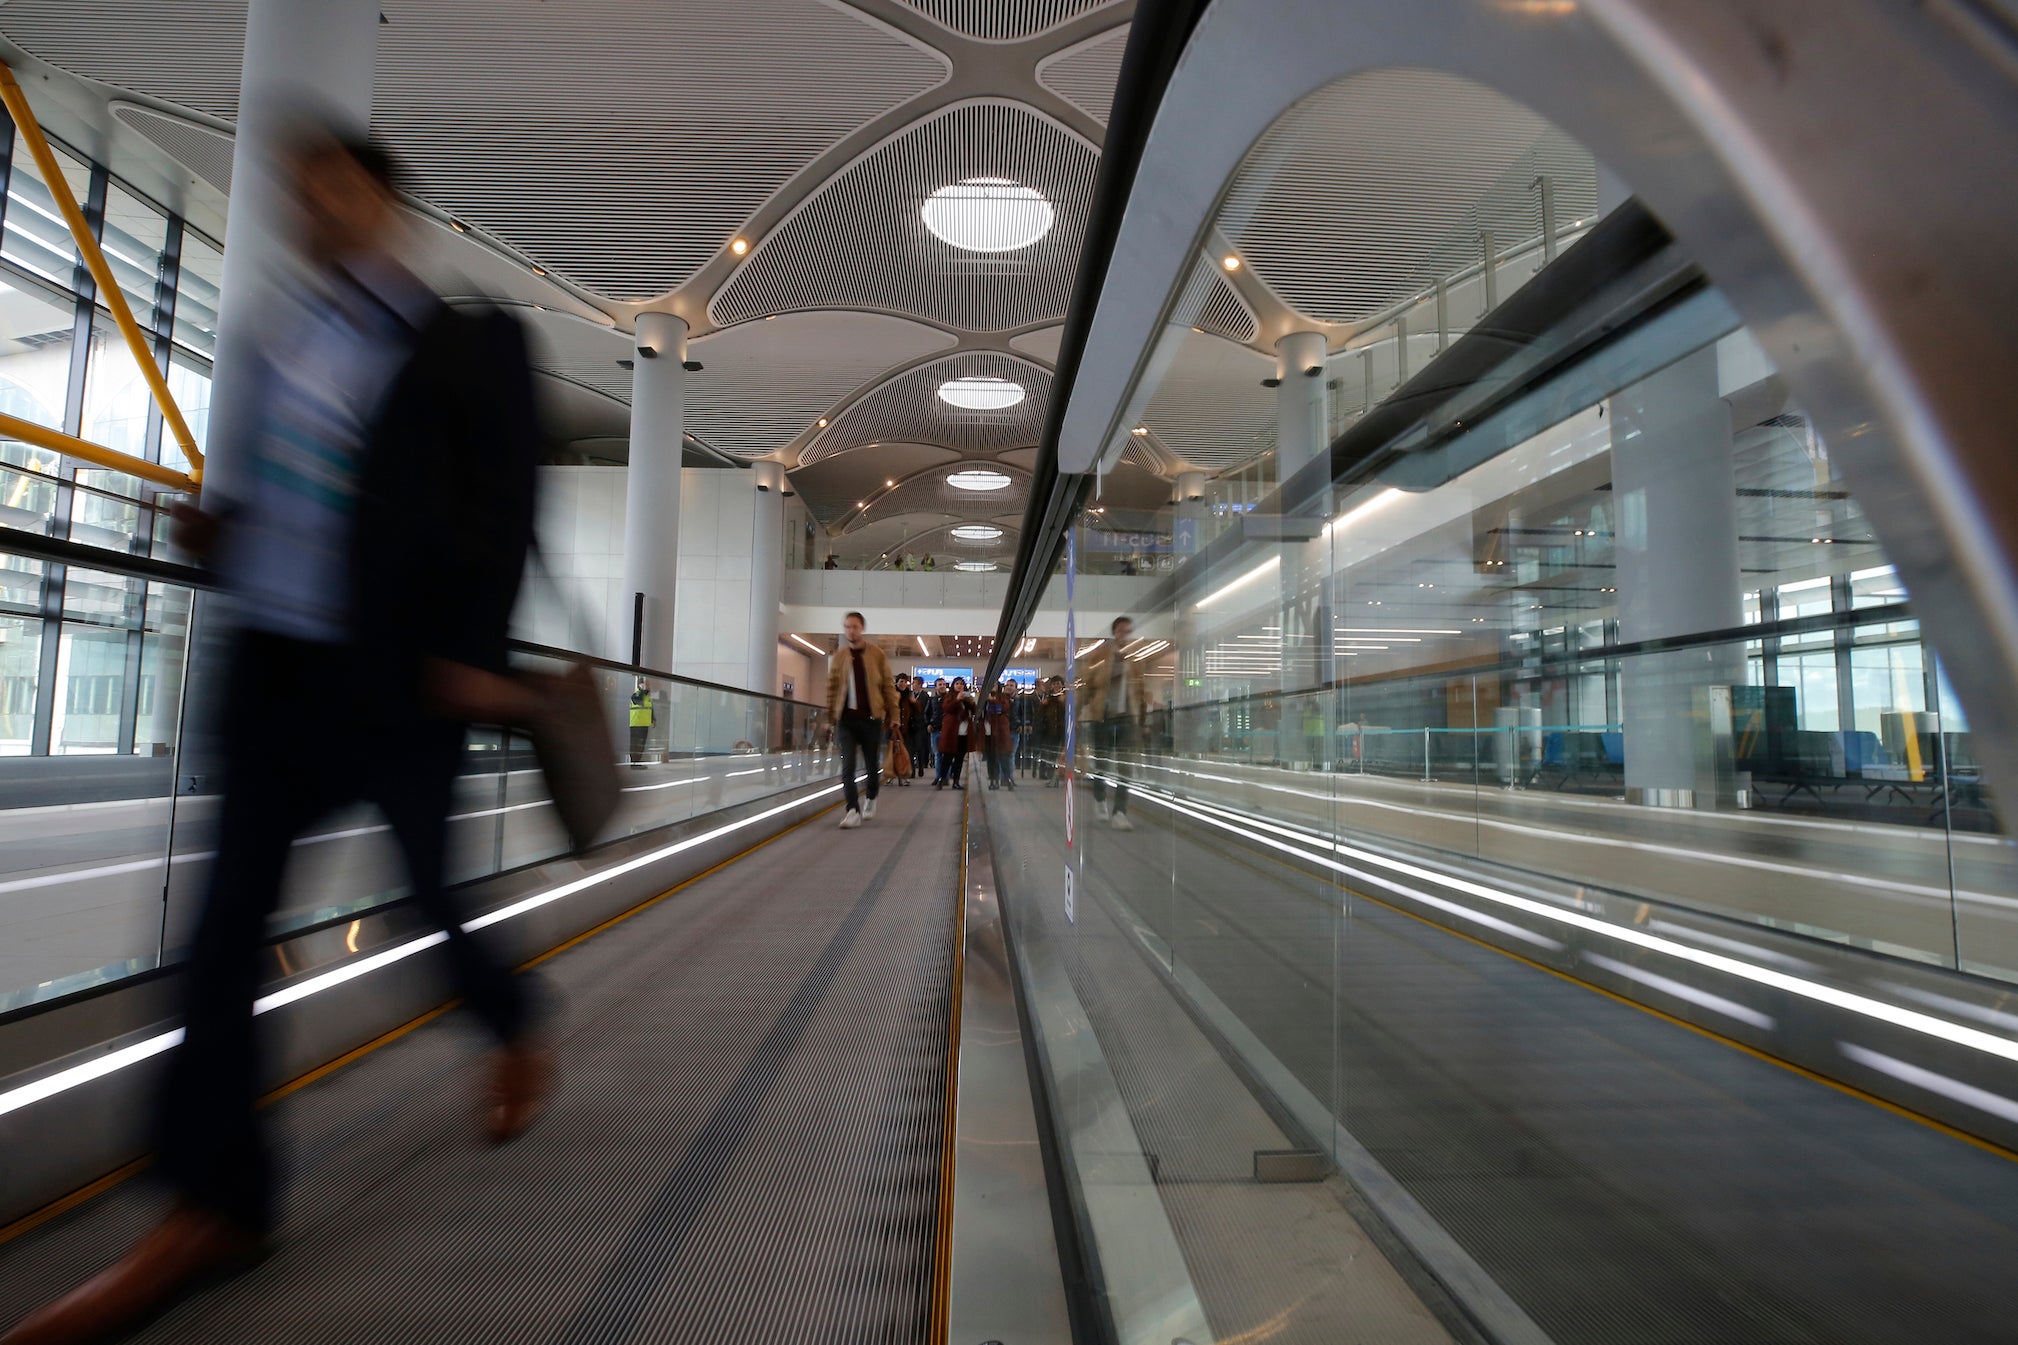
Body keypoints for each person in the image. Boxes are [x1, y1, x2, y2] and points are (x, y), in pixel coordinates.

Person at [2, 124, 549, 1345]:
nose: (315, 211)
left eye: (335, 188)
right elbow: (258, 494)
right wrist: (219, 530)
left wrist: (474, 648)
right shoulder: (275, 339)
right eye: (300, 196)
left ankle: (512, 1017)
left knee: (425, 900)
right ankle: (217, 1204)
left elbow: (505, 501)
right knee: (222, 933)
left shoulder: (469, 342)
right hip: (275, 673)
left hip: (401, 681)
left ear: (386, 204)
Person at [825, 611, 897, 828]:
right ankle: (852, 810)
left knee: (871, 766)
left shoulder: (877, 655)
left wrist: (894, 715)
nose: (850, 631)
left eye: (855, 627)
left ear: (862, 629)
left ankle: (872, 796)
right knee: (847, 768)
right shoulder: (839, 657)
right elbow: (832, 688)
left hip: (871, 719)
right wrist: (830, 717)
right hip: (846, 720)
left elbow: (887, 686)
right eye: (847, 627)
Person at [1082, 615, 1148, 830]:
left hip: (1127, 718)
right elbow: (1087, 685)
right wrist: (1074, 713)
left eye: (1128, 631)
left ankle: (1120, 812)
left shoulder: (1135, 660)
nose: (1124, 635)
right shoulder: (1100, 656)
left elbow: (1139, 691)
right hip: (1103, 717)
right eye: (1121, 630)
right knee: (1102, 764)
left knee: (1125, 767)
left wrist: (1142, 720)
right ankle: (1100, 798)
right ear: (1114, 632)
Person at [934, 677, 974, 789]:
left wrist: (970, 702)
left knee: (959, 759)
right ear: (953, 685)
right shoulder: (949, 696)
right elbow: (947, 708)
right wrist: (957, 699)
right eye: (957, 683)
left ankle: (956, 781)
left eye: (961, 684)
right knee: (947, 757)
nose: (959, 686)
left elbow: (974, 711)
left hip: (964, 733)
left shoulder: (967, 698)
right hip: (951, 733)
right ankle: (942, 779)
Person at [1035, 675, 1067, 785]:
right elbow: (1039, 713)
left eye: (1058, 683)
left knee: (1059, 755)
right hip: (1048, 731)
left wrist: (1063, 702)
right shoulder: (1048, 699)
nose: (1056, 686)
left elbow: (1071, 712)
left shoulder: (1066, 697)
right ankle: (1051, 777)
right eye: (1054, 684)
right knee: (1050, 754)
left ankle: (1056, 777)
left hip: (1061, 731)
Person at [982, 681, 1013, 790]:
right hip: (988, 732)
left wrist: (993, 701)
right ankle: (993, 780)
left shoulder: (1003, 697)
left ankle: (1007, 779)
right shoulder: (984, 698)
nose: (992, 687)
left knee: (1003, 757)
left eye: (994, 685)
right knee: (992, 759)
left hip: (1000, 733)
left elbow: (1003, 709)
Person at [889, 673, 916, 787]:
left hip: (905, 728)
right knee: (891, 752)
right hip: (892, 727)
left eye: (905, 682)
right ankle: (890, 775)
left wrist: (914, 702)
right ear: (897, 682)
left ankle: (904, 776)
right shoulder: (891, 694)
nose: (903, 684)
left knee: (905, 753)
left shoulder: (909, 695)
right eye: (901, 681)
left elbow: (917, 710)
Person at [628, 677, 654, 769]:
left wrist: (653, 719)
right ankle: (633, 763)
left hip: (644, 724)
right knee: (635, 744)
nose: (649, 686)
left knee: (641, 745)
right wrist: (643, 690)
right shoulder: (636, 695)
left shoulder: (647, 697)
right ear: (641, 685)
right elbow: (639, 701)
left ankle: (637, 762)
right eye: (647, 684)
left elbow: (650, 709)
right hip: (636, 724)